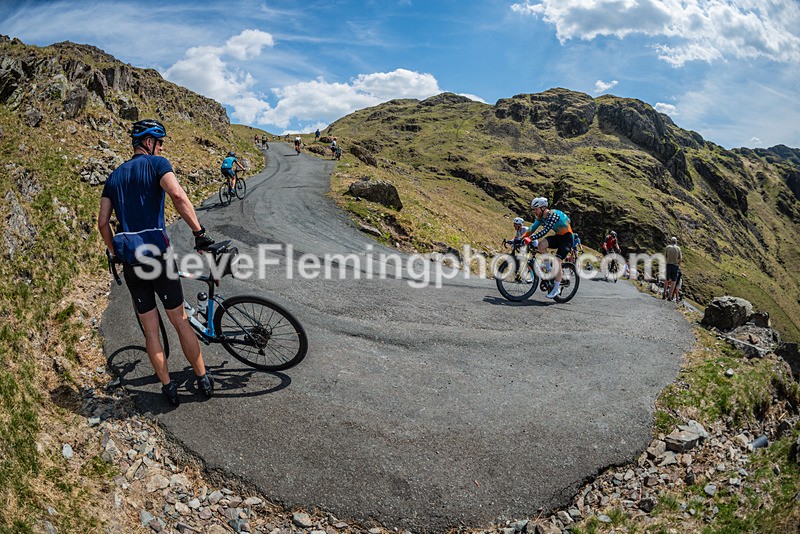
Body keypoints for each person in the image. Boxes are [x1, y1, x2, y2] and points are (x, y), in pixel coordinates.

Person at [98, 119, 216, 407]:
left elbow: (102, 223)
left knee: (151, 330)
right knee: (180, 321)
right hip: (159, 258)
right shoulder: (157, 164)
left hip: (132, 262)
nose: (161, 147)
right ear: (149, 142)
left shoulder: (113, 177)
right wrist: (199, 233)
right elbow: (177, 195)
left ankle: (167, 386)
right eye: (159, 142)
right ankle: (202, 378)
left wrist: (116, 252)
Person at [521, 197, 574, 299]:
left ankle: (556, 288)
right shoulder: (541, 217)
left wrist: (531, 238)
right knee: (541, 245)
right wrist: (521, 238)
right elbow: (532, 228)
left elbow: (545, 230)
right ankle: (549, 270)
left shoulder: (553, 215)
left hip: (567, 239)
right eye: (533, 210)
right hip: (558, 236)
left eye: (535, 209)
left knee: (557, 262)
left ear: (543, 208)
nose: (534, 212)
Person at [664, 236, 683, 301]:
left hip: (668, 264)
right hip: (675, 265)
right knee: (673, 281)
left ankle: (664, 294)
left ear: (671, 241)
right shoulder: (678, 248)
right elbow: (680, 258)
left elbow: (665, 256)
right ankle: (670, 296)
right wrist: (678, 264)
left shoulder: (668, 247)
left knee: (666, 280)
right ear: (676, 242)